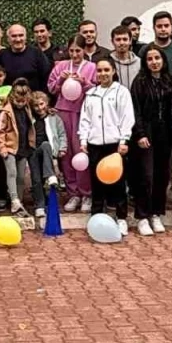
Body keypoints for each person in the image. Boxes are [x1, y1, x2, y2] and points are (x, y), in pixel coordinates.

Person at [77, 57, 135, 235]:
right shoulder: (90, 94)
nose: (103, 74)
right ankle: (96, 217)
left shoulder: (122, 92)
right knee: (96, 183)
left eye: (106, 70)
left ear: (113, 71)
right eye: (99, 70)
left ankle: (121, 218)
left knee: (118, 183)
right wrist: (83, 140)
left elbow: (127, 117)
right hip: (95, 145)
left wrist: (124, 140)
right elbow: (85, 119)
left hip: (114, 145)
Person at [129, 44, 172, 235]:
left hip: (165, 134)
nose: (154, 62)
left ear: (163, 60)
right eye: (150, 59)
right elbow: (135, 111)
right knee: (145, 176)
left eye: (157, 58)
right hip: (145, 133)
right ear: (145, 62)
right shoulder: (139, 82)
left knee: (161, 176)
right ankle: (142, 216)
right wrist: (140, 134)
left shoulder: (171, 81)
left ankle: (156, 213)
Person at [48, 37, 97, 212]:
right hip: (63, 112)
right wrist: (60, 80)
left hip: (82, 113)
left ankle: (86, 193)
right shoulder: (60, 66)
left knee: (81, 153)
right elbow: (51, 88)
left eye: (78, 50)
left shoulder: (92, 67)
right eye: (72, 51)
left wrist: (84, 82)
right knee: (66, 153)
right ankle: (73, 193)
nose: (75, 54)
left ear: (84, 50)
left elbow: (97, 90)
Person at [0, 78, 35, 214]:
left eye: (23, 101)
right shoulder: (5, 112)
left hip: (23, 147)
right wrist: (2, 147)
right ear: (12, 96)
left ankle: (19, 201)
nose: (20, 103)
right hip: (9, 147)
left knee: (21, 176)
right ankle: (14, 199)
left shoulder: (27, 109)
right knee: (11, 173)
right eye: (18, 100)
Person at [27, 91, 64, 221]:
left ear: (47, 103)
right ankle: (40, 205)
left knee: (46, 144)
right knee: (36, 179)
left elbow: (61, 134)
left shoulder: (54, 118)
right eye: (36, 105)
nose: (39, 108)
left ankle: (50, 176)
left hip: (48, 151)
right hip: (33, 151)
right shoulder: (30, 118)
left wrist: (62, 148)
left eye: (42, 104)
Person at [0, 24, 52, 93]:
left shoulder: (36, 53)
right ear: (8, 39)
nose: (18, 39)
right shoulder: (2, 55)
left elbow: (46, 77)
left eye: (21, 35)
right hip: (9, 98)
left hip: (33, 97)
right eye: (14, 36)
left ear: (25, 37)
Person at [139, 12, 172, 81]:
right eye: (159, 26)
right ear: (154, 28)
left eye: (166, 26)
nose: (163, 29)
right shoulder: (145, 50)